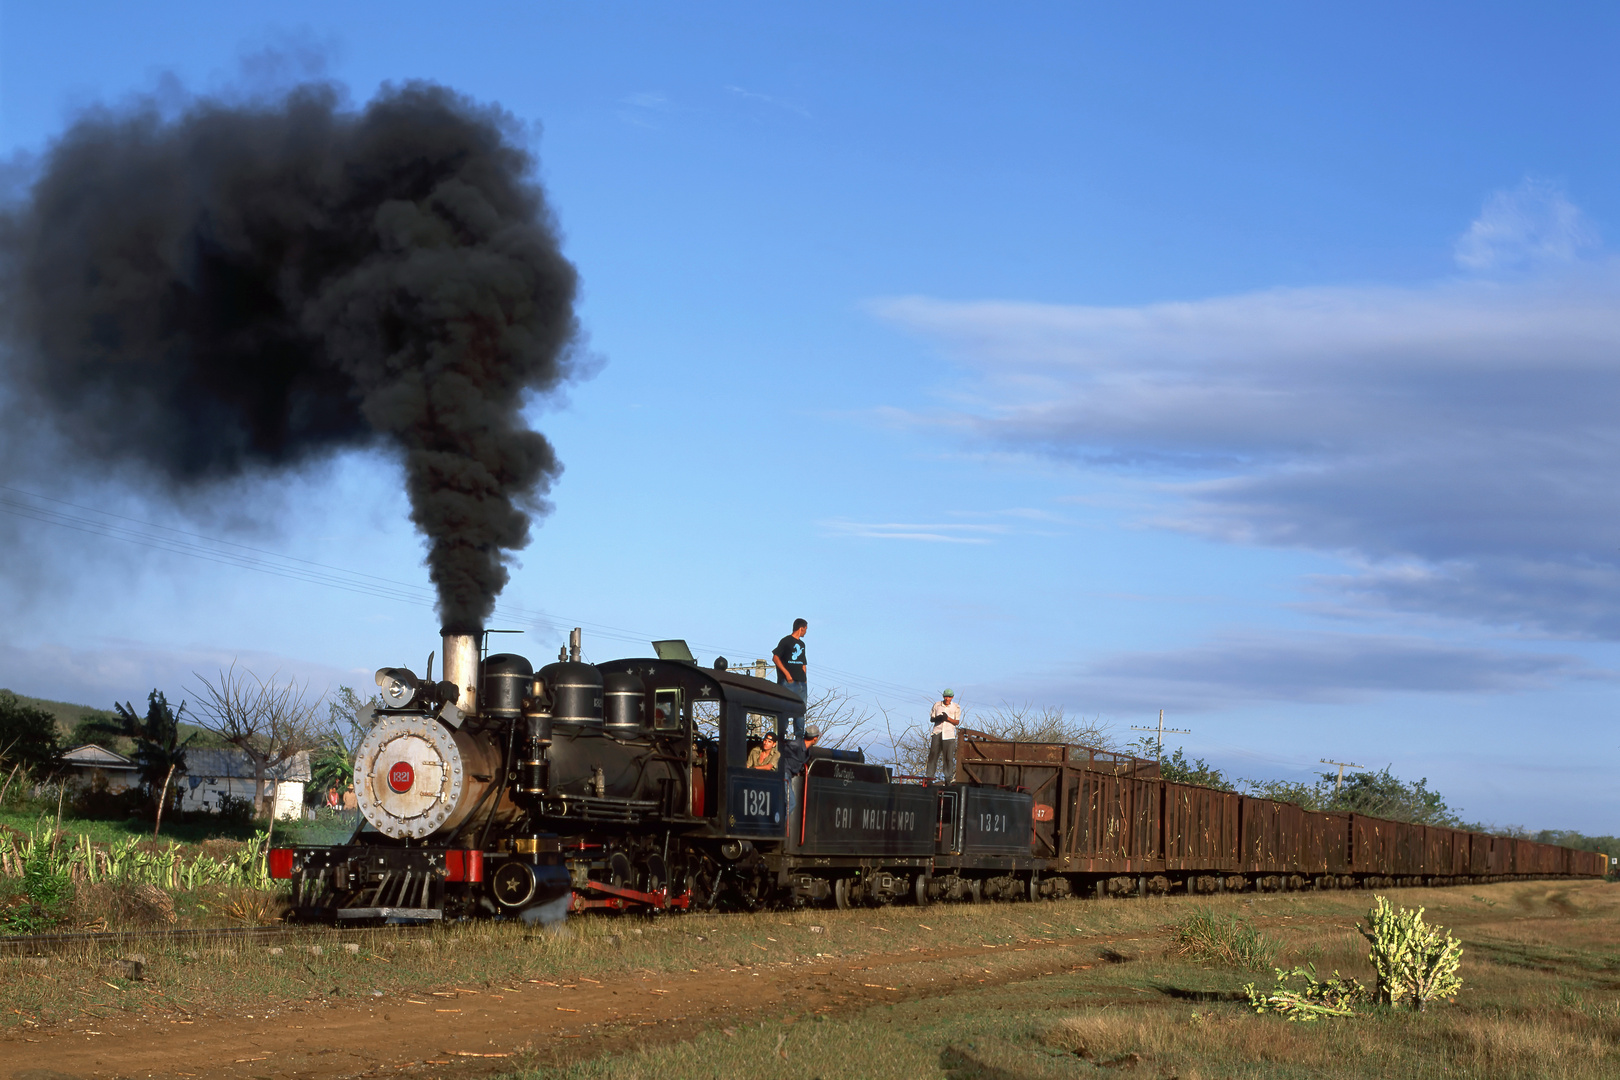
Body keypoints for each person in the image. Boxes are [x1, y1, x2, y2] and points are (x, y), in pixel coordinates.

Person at [924, 689, 961, 783]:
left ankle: (948, 778)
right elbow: (932, 718)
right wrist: (938, 718)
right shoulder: (937, 705)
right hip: (937, 732)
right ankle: (929, 777)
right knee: (933, 755)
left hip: (949, 734)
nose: (946, 698)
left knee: (948, 757)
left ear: (952, 697)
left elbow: (957, 722)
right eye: (945, 696)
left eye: (948, 697)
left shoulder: (956, 707)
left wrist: (947, 718)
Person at [773, 618, 808, 701]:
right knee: (786, 708)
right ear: (801, 628)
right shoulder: (786, 641)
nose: (806, 632)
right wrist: (787, 675)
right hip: (788, 682)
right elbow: (775, 658)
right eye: (806, 629)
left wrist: (805, 680)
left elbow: (803, 664)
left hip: (801, 683)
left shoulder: (802, 644)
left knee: (800, 710)